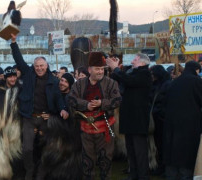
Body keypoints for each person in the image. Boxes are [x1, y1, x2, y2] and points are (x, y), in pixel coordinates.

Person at [10, 33, 69, 180]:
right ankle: (29, 170)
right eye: (37, 66)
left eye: (42, 66)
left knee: (46, 148)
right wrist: (13, 42)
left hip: (45, 119)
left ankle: (41, 173)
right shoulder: (28, 74)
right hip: (29, 118)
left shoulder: (54, 81)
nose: (39, 68)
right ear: (33, 67)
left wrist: (63, 109)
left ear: (46, 66)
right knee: (27, 149)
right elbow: (19, 59)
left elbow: (59, 99)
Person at [69, 52, 121, 180]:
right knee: (87, 161)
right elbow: (70, 99)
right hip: (85, 129)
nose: (100, 72)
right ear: (89, 69)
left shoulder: (111, 83)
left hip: (105, 128)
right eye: (97, 69)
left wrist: (102, 103)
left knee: (105, 161)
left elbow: (118, 100)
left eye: (102, 69)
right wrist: (86, 105)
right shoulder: (79, 84)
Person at [107, 53, 152, 180]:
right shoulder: (133, 72)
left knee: (140, 150)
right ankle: (133, 174)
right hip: (129, 119)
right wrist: (115, 67)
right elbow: (120, 77)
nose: (132, 61)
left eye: (135, 59)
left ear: (143, 63)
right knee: (130, 150)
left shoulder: (145, 74)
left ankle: (143, 175)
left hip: (138, 119)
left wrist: (116, 68)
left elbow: (129, 80)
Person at [163, 61, 202, 179]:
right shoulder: (197, 81)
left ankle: (171, 173)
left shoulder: (175, 81)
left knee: (172, 148)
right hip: (190, 122)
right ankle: (185, 174)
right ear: (196, 70)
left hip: (171, 120)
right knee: (187, 149)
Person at [149, 65, 171, 176]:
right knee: (159, 144)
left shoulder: (165, 85)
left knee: (162, 144)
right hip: (158, 117)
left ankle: (163, 168)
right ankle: (161, 166)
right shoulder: (162, 84)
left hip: (161, 118)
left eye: (153, 74)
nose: (151, 76)